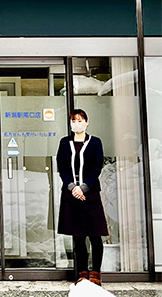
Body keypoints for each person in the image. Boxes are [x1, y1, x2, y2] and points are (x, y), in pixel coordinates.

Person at [57, 109, 108, 286]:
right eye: (73, 120)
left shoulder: (95, 142)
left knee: (95, 235)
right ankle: (82, 273)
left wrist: (84, 187)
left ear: (87, 122)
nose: (76, 123)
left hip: (90, 193)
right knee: (78, 236)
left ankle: (96, 272)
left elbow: (97, 166)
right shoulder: (65, 142)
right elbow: (61, 166)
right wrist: (72, 186)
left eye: (79, 120)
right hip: (71, 194)